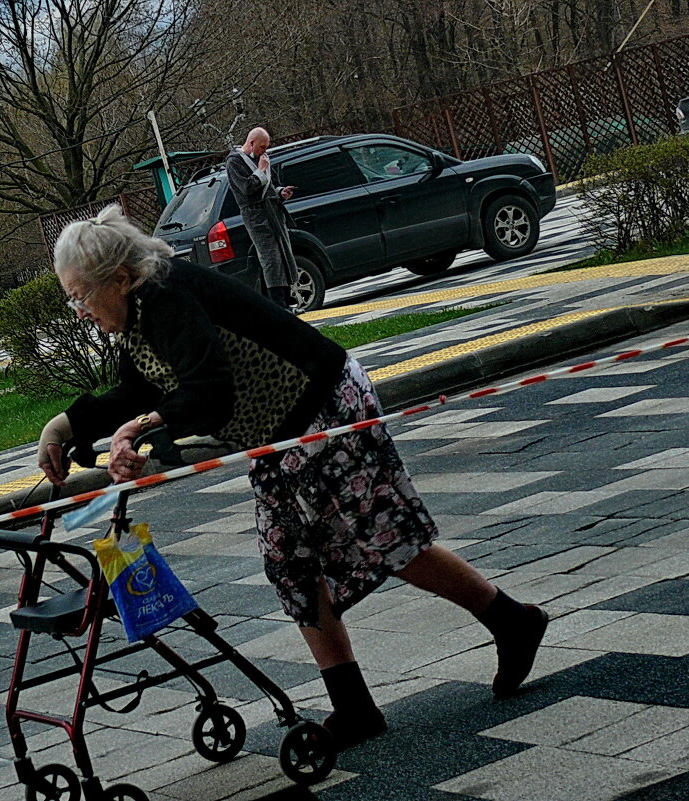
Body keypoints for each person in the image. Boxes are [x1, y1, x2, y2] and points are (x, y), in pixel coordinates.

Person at [36, 205, 549, 749]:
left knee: (380, 539)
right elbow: (141, 386)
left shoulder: (166, 297)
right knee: (292, 562)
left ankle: (511, 621)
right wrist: (63, 427)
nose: (80, 311)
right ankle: (354, 705)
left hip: (321, 406)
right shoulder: (142, 311)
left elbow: (208, 392)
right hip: (280, 429)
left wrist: (138, 429)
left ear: (118, 279)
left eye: (81, 296)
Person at [225, 127, 298, 310]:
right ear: (251, 143)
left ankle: (287, 297)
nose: (264, 151)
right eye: (262, 147)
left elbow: (270, 186)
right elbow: (246, 188)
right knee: (270, 258)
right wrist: (260, 171)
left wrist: (281, 192)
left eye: (266, 147)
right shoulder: (234, 162)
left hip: (273, 211)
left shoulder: (261, 159)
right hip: (256, 215)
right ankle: (278, 303)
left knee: (282, 254)